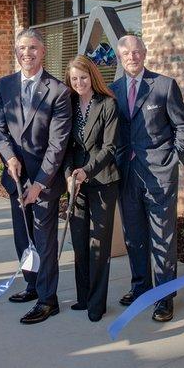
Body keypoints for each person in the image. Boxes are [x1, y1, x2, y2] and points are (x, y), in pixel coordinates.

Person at [110, 35, 184, 322]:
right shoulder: (113, 90)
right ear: (119, 58)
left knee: (162, 237)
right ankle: (141, 287)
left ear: (144, 53)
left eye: (136, 51)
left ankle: (164, 297)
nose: (132, 57)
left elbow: (183, 126)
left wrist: (174, 160)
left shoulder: (164, 85)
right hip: (127, 175)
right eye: (126, 53)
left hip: (160, 175)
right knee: (134, 237)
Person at [0, 29, 72, 324]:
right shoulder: (5, 85)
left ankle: (48, 299)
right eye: (21, 48)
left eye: (32, 48)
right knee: (22, 237)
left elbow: (58, 143)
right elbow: (0, 130)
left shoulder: (58, 91)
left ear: (43, 52)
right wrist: (10, 158)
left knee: (44, 240)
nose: (26, 53)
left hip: (44, 181)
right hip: (15, 178)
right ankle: (32, 284)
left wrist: (40, 183)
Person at [62, 55, 120, 322]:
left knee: (98, 245)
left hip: (102, 182)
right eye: (74, 79)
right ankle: (83, 297)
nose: (79, 83)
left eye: (83, 78)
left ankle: (97, 303)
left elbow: (110, 148)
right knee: (80, 243)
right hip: (76, 184)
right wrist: (68, 176)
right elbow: (66, 146)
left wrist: (86, 171)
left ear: (92, 76)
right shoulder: (69, 104)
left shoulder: (108, 104)